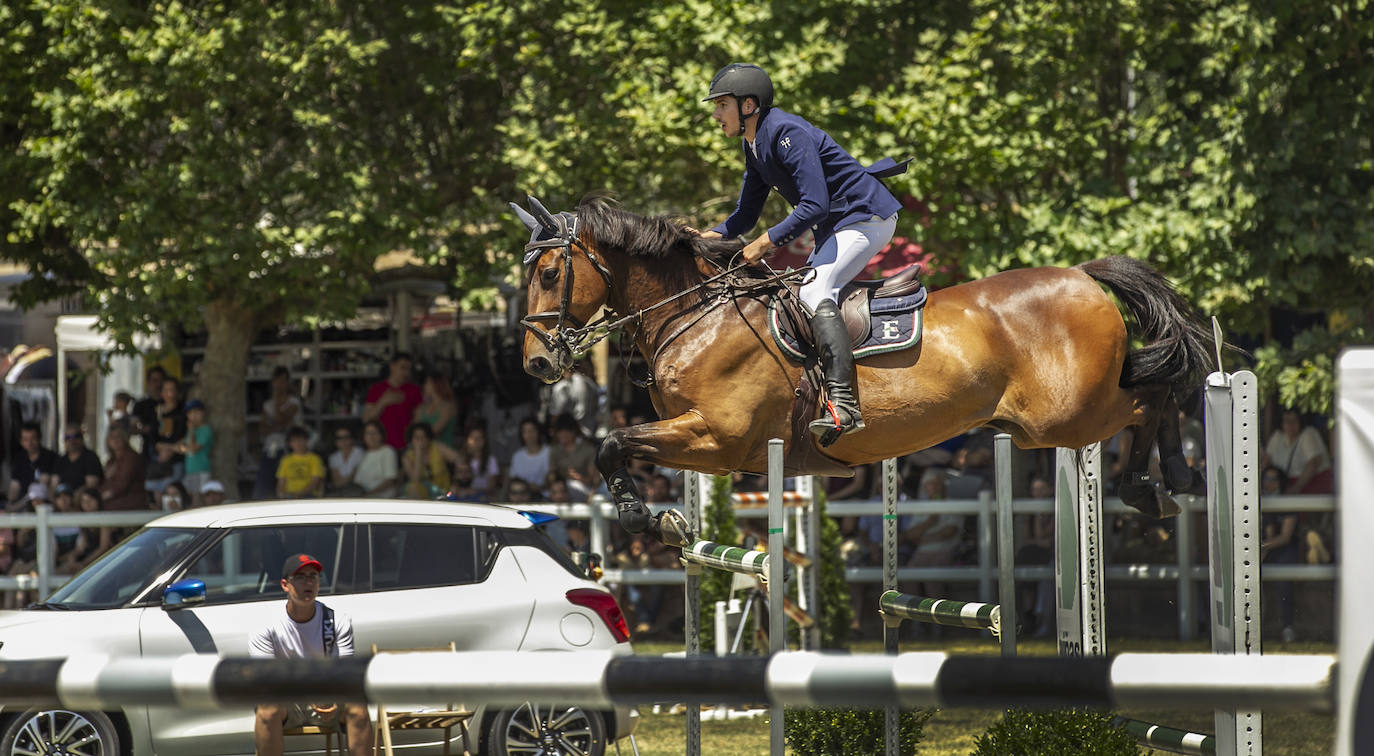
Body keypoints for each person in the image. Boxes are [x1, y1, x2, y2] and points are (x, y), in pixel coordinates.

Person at [693, 62, 905, 446]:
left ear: (748, 106)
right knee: (798, 293)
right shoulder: (754, 143)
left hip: (866, 217)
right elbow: (744, 216)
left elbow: (815, 205)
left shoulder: (786, 132)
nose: (715, 114)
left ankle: (844, 404)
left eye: (721, 104)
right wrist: (701, 239)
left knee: (813, 290)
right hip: (841, 224)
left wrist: (765, 242)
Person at [251, 553, 372, 756]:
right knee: (267, 708)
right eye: (300, 577)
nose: (308, 582)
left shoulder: (336, 621)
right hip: (287, 700)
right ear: (285, 585)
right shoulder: (265, 625)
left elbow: (346, 672)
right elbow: (266, 679)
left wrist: (332, 698)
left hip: (327, 695)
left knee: (358, 708)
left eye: (313, 576)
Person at [254, 367, 302, 499]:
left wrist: (277, 401)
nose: (280, 385)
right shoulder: (267, 404)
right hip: (270, 447)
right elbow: (262, 429)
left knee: (285, 481)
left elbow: (282, 420)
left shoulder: (293, 402)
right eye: (277, 381)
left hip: (289, 447)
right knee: (264, 482)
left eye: (283, 381)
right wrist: (276, 426)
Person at [1262, 408, 1334, 495]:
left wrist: (1296, 488)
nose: (1290, 424)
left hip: (1311, 487)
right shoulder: (1277, 436)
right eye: (1287, 421)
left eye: (1294, 420)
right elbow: (1266, 460)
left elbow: (1314, 462)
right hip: (1286, 487)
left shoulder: (1308, 433)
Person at [363, 353, 423, 450]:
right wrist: (383, 401)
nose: (406, 372)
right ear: (392, 366)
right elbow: (366, 419)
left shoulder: (414, 390)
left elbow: (418, 419)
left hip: (406, 445)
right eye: (402, 368)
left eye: (408, 369)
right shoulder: (376, 389)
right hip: (381, 446)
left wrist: (412, 440)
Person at [401, 423, 462, 499]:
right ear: (411, 439)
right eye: (417, 438)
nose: (420, 440)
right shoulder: (407, 457)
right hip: (420, 494)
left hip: (445, 492)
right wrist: (418, 454)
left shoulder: (437, 448)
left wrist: (456, 481)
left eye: (424, 437)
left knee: (452, 493)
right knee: (413, 488)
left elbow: (458, 459)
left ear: (429, 438)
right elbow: (416, 479)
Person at [147, 377, 187, 494]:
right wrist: (165, 449)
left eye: (172, 390)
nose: (169, 393)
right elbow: (152, 437)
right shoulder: (157, 412)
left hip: (176, 461)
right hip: (159, 460)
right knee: (156, 491)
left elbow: (183, 436)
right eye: (166, 390)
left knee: (173, 490)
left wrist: (171, 451)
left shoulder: (183, 411)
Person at [60, 486, 113, 572]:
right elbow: (82, 547)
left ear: (98, 501)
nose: (87, 504)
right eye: (84, 501)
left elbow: (103, 548)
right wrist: (72, 556)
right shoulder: (84, 521)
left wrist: (84, 564)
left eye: (90, 500)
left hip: (105, 560)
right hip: (88, 557)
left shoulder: (104, 519)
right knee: (63, 569)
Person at [547, 413, 598, 501]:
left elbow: (593, 480)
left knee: (572, 485)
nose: (563, 434)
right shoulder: (555, 450)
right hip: (560, 491)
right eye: (560, 431)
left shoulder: (588, 449)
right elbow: (552, 473)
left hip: (585, 490)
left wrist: (578, 478)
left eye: (567, 431)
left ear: (574, 431)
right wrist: (553, 478)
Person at [8, 421, 58, 507]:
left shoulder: (51, 457)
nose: (30, 443)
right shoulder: (19, 458)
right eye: (25, 439)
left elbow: (53, 484)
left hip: (45, 504)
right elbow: (15, 485)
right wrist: (10, 503)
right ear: (21, 441)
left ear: (39, 438)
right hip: (22, 505)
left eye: (33, 438)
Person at [100, 423, 148, 510]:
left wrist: (103, 496)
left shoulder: (131, 457)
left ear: (124, 438)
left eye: (118, 436)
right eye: (111, 436)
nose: (115, 440)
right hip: (112, 500)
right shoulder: (111, 461)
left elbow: (122, 484)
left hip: (129, 503)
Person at [177, 399, 213, 507]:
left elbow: (192, 448)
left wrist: (192, 432)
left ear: (203, 413)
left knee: (199, 501)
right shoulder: (190, 431)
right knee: (191, 498)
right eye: (190, 413)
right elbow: (182, 447)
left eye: (196, 412)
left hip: (201, 470)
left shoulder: (205, 430)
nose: (193, 416)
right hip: (190, 470)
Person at [353, 421, 399, 498]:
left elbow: (390, 480)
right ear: (364, 437)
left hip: (381, 498)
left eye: (374, 433)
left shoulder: (387, 451)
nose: (371, 436)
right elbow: (357, 482)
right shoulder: (364, 454)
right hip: (363, 498)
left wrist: (369, 494)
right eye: (368, 433)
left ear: (381, 435)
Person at [276, 427, 325, 499]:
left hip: (309, 496)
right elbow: (281, 482)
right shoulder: (285, 460)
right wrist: (282, 495)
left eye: (300, 440)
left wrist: (299, 495)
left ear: (306, 440)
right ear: (289, 443)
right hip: (289, 497)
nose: (298, 443)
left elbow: (315, 482)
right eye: (294, 441)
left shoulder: (315, 459)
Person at [508, 417, 551, 498]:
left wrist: (540, 487)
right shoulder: (517, 456)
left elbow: (553, 476)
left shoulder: (549, 452)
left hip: (545, 498)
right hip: (521, 498)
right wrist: (527, 487)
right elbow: (513, 480)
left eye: (532, 430)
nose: (529, 434)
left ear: (538, 432)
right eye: (525, 431)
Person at [413, 373, 459, 448]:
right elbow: (414, 430)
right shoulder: (422, 407)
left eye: (427, 383)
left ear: (436, 385)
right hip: (422, 450)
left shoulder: (448, 407)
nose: (424, 386)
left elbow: (434, 431)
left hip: (442, 451)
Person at [55, 422, 104, 492]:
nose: (72, 441)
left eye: (76, 436)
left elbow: (91, 486)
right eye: (68, 437)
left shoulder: (91, 458)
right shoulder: (61, 460)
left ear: (82, 438)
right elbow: (54, 485)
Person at [131, 365, 166, 456]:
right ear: (149, 382)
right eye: (154, 381)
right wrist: (146, 429)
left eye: (160, 380)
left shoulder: (170, 403)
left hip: (169, 447)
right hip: (149, 448)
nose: (158, 384)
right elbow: (132, 428)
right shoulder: (141, 405)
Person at [461, 424, 502, 500]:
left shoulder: (491, 460)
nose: (475, 441)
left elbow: (491, 488)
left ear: (484, 441)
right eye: (472, 438)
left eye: (478, 438)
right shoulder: (462, 459)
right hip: (465, 498)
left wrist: (475, 491)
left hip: (484, 498)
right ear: (467, 440)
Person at [327, 426, 365, 496]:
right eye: (339, 438)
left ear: (352, 439)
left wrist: (344, 479)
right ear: (335, 441)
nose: (343, 441)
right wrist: (350, 477)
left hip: (358, 489)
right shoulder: (333, 457)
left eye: (346, 437)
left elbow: (357, 478)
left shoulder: (360, 453)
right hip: (340, 490)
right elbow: (336, 482)